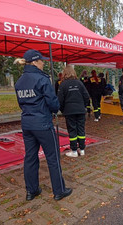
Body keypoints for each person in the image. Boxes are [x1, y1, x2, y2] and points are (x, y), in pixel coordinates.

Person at [14, 49, 72, 201]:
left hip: (27, 124)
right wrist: (54, 109)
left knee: (30, 158)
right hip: (43, 124)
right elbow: (53, 103)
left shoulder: (19, 81)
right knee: (53, 157)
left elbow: (21, 103)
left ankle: (31, 191)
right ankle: (59, 190)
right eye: (41, 61)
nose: (43, 63)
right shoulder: (42, 79)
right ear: (34, 62)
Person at [57, 65, 90, 158]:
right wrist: (83, 106)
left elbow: (60, 100)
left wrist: (63, 110)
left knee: (72, 130)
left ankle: (74, 150)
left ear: (64, 73)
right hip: (80, 110)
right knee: (81, 129)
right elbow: (86, 96)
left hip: (69, 111)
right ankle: (82, 149)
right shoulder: (79, 83)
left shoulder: (63, 84)